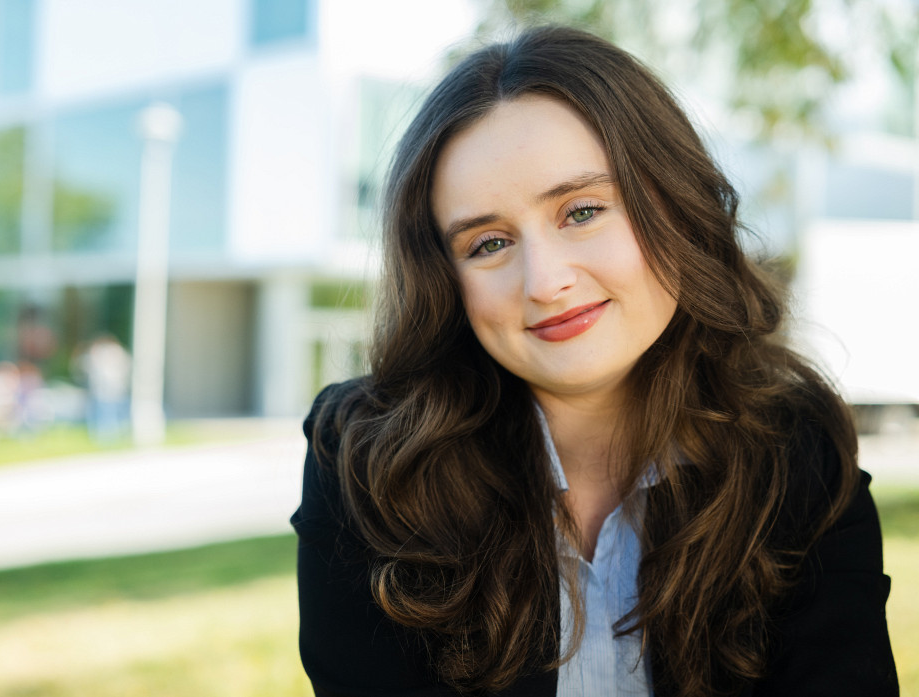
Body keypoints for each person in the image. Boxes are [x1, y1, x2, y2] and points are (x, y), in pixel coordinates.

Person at [291, 26, 897, 697]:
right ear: (445, 278)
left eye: (581, 211)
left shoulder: (799, 457)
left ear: (676, 205)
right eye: (488, 243)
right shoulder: (367, 464)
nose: (544, 280)